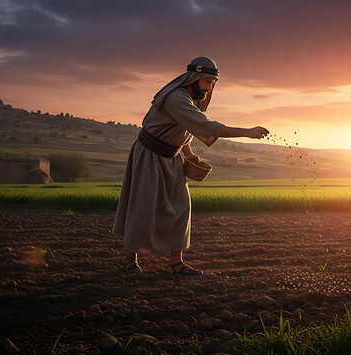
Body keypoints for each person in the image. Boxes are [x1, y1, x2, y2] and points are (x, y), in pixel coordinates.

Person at [113, 57, 269, 275]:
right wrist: (246, 132)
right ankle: (131, 259)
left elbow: (182, 130)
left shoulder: (189, 98)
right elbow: (203, 126)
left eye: (212, 84)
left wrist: (188, 153)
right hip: (150, 155)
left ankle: (175, 263)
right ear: (194, 78)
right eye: (207, 83)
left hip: (173, 157)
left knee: (181, 206)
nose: (208, 88)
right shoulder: (176, 98)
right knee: (143, 206)